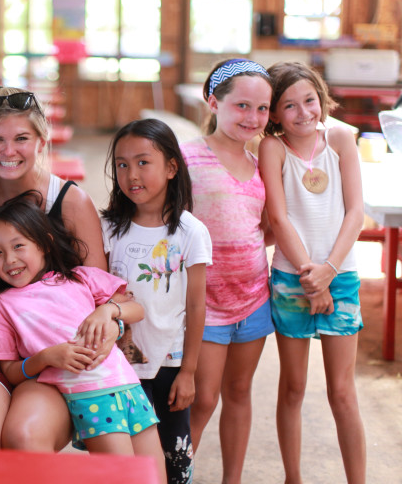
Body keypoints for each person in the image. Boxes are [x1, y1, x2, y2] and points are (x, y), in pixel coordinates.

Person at [0, 86, 115, 451]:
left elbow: (102, 292)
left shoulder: (69, 201)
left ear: (41, 139)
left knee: (23, 438)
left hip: (50, 353)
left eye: (21, 138)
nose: (8, 151)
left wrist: (111, 325)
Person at [0, 192, 166, 481]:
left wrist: (108, 311)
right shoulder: (2, 305)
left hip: (129, 387)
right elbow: (10, 371)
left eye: (19, 246)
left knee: (154, 478)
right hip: (91, 397)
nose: (10, 260)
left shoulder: (80, 278)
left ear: (44, 243)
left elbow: (136, 309)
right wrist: (45, 358)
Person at [258, 61, 365, 484]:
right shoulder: (273, 148)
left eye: (310, 100)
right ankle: (293, 477)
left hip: (341, 276)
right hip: (292, 278)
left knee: (342, 392)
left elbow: (356, 212)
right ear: (274, 114)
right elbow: (279, 218)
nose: (304, 112)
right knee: (294, 387)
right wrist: (309, 276)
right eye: (289, 105)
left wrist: (329, 271)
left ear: (321, 99)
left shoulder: (340, 138)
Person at [181, 58, 275, 483]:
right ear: (213, 101)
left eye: (262, 109)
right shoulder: (184, 159)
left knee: (239, 393)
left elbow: (266, 226)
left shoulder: (262, 164)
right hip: (206, 305)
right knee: (201, 400)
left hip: (253, 299)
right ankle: (175, 475)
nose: (252, 118)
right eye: (241, 106)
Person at [101, 119, 211, 483]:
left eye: (143, 162)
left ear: (171, 167)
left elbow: (196, 306)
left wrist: (190, 371)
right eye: (122, 163)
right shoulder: (109, 228)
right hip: (120, 367)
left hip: (170, 364)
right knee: (128, 464)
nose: (132, 173)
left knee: (174, 460)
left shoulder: (190, 232)